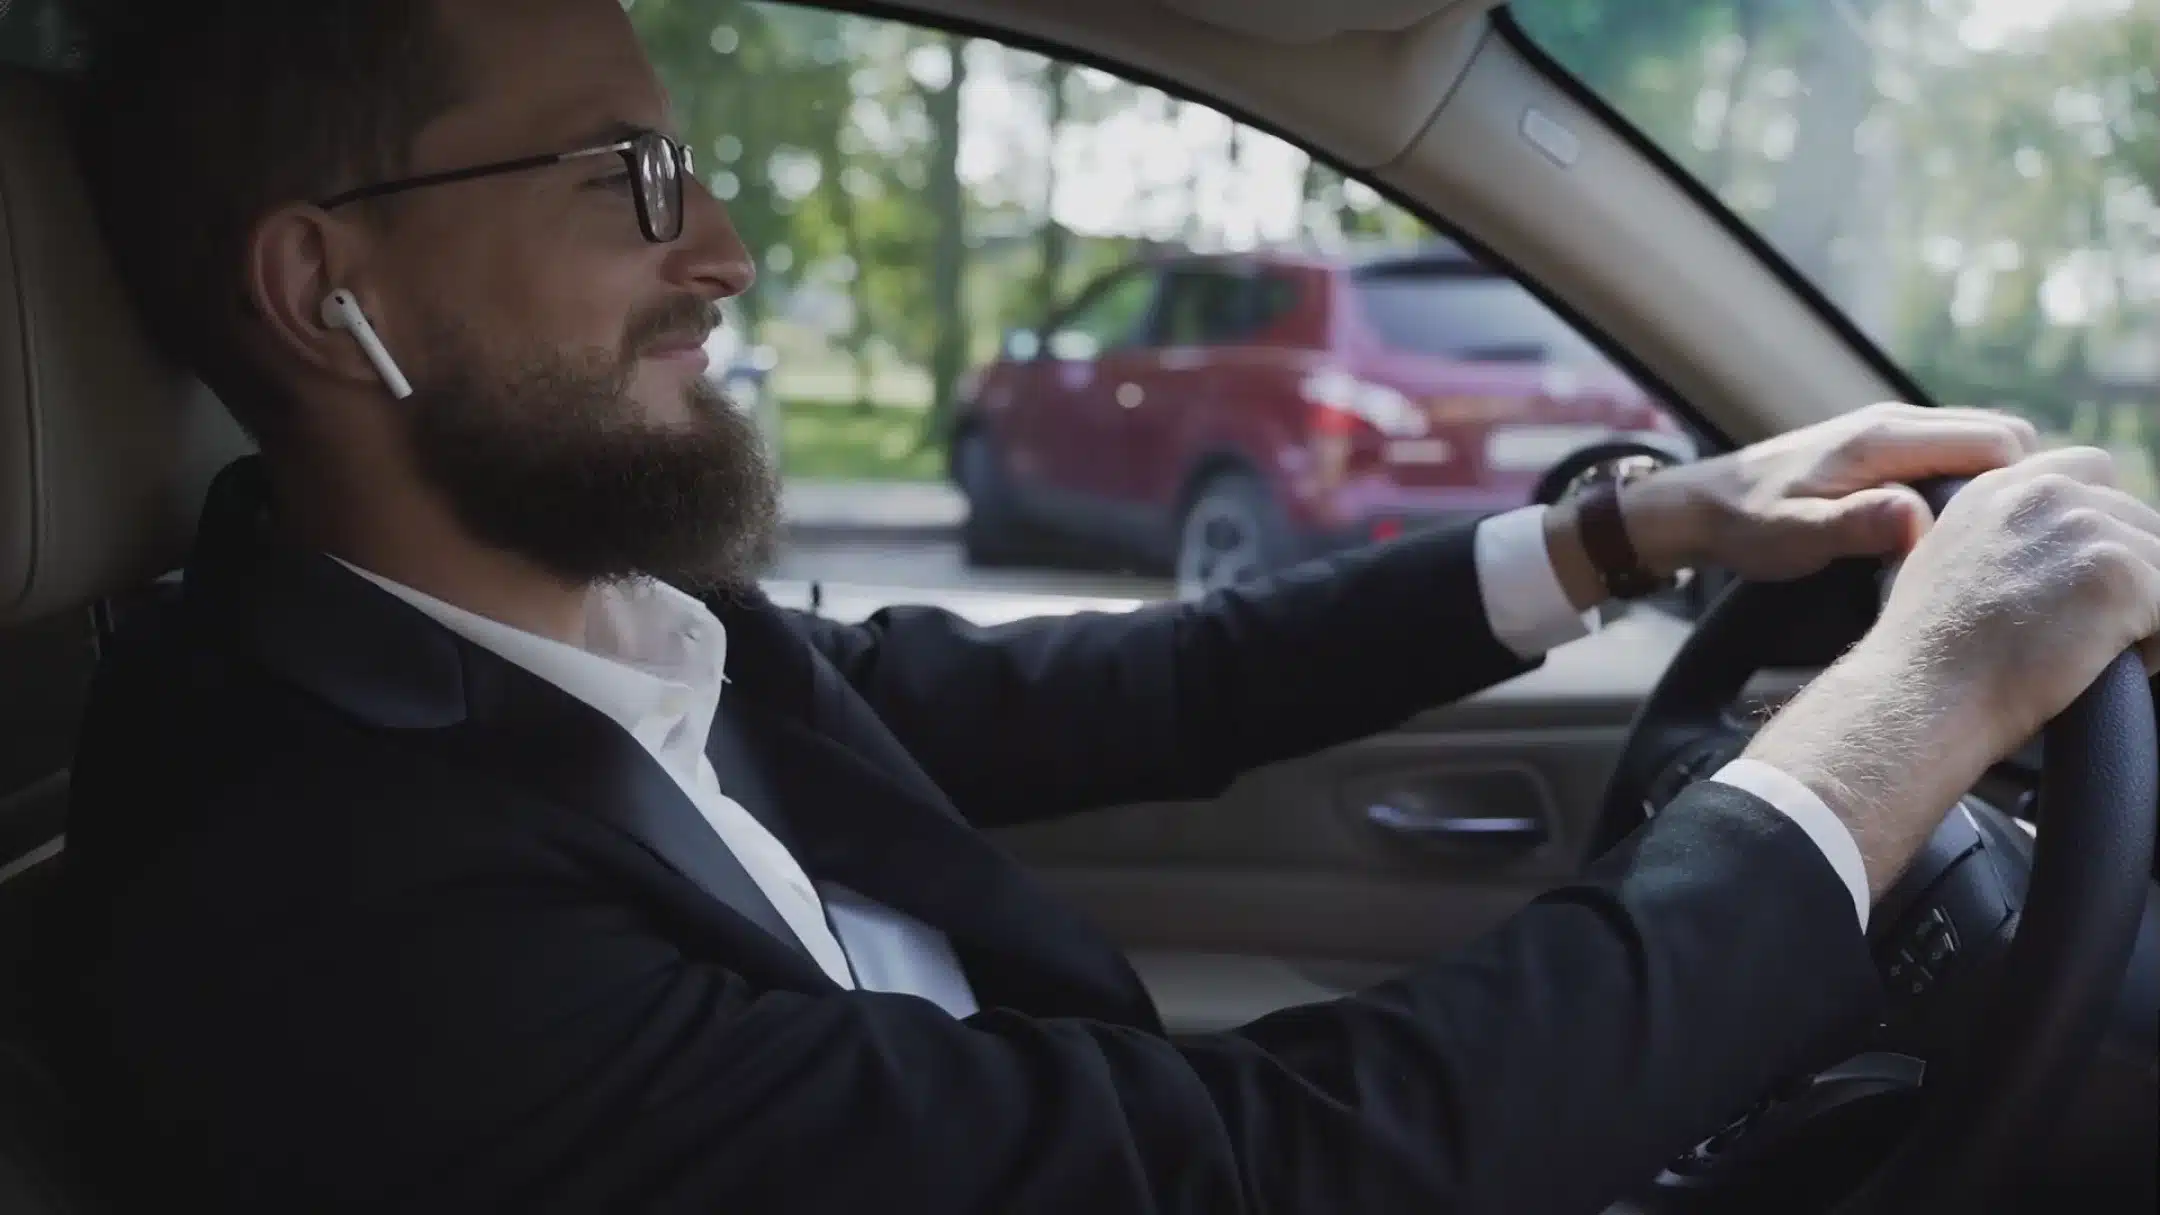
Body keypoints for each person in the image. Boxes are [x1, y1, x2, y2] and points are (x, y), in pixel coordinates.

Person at [45, 1, 2159, 1214]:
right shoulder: (331, 890)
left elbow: (1147, 684)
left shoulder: (579, 619)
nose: (722, 254)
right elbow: (1260, 1175)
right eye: (626, 181)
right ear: (331, 289)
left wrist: (1638, 530)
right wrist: (1917, 704)